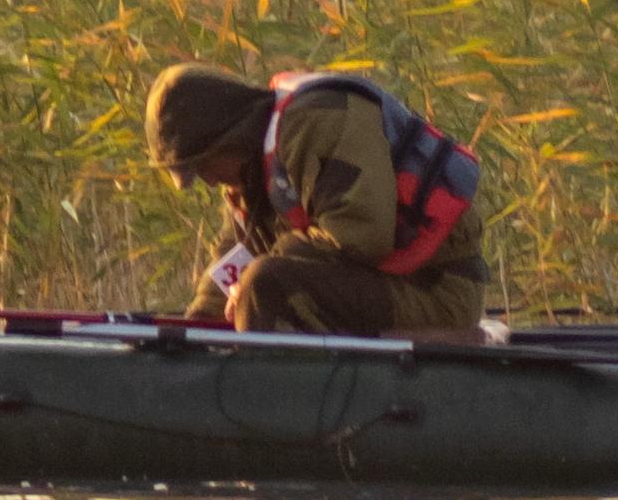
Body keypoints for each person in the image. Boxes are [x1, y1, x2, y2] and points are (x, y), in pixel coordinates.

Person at [142, 62, 494, 336]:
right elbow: (236, 254)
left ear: (229, 138)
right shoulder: (247, 171)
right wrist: (195, 327)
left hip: (433, 292)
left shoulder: (321, 123)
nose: (207, 179)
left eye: (202, 165)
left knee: (266, 282)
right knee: (259, 279)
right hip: (379, 288)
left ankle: (260, 406)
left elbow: (362, 236)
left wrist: (253, 280)